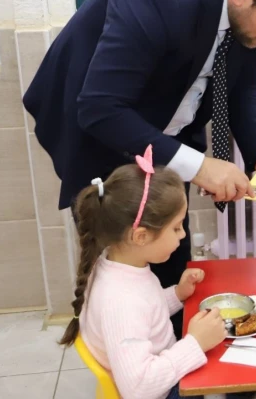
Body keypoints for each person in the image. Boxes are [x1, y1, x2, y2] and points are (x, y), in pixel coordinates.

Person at [23, 0, 256, 339]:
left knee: (172, 257)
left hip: (164, 133)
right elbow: (100, 109)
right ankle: (127, 361)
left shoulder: (246, 20)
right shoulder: (159, 6)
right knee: (120, 276)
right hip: (97, 126)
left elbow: (244, 86)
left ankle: (174, 365)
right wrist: (201, 167)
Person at [59, 146, 227, 399]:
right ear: (140, 236)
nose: (183, 235)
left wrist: (177, 295)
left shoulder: (117, 267)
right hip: (158, 390)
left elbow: (147, 315)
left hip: (160, 372)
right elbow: (139, 389)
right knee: (235, 370)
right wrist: (195, 343)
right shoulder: (122, 301)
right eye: (177, 228)